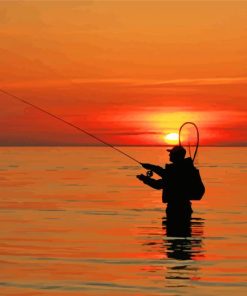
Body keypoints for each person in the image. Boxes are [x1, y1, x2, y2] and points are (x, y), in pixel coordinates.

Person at [137, 145, 204, 219]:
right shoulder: (184, 169)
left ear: (176, 156)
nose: (169, 154)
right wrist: (150, 167)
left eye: (171, 153)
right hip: (186, 207)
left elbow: (158, 184)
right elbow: (164, 173)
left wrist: (144, 178)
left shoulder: (176, 171)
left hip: (175, 209)